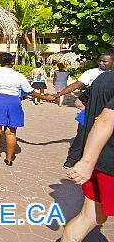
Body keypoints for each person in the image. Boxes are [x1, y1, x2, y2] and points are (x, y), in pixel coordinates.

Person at [61, 70, 114, 242]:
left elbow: (80, 102)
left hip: (101, 159)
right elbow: (105, 120)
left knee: (90, 217)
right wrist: (86, 162)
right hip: (107, 163)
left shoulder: (104, 77)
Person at [0, 53, 55, 166]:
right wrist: (47, 98)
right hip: (13, 102)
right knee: (11, 133)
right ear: (12, 62)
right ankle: (9, 159)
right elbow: (30, 92)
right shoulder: (19, 76)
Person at [56, 53, 114, 169]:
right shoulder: (92, 73)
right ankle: (72, 160)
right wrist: (60, 94)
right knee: (82, 135)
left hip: (108, 111)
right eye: (100, 61)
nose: (101, 63)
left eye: (105, 62)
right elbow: (77, 85)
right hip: (91, 110)